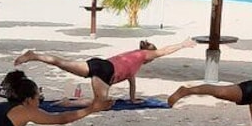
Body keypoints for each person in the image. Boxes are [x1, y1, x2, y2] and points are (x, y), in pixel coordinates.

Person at [14, 38, 196, 105]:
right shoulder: (144, 55)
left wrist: (133, 99)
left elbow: (132, 83)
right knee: (101, 102)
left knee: (62, 63)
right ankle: (68, 104)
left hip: (99, 63)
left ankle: (33, 55)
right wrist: (182, 45)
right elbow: (163, 51)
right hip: (105, 72)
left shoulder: (132, 58)